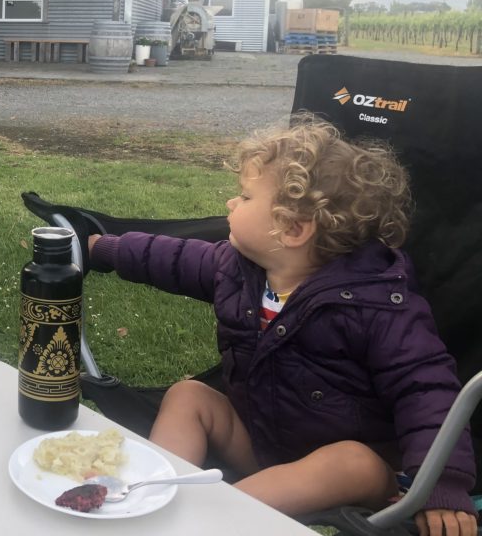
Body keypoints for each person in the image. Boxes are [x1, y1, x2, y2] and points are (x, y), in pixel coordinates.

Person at [88, 115, 476, 536]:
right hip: (263, 445)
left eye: (245, 197)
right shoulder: (238, 267)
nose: (231, 205)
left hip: (356, 475)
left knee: (351, 460)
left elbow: (426, 389)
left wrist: (439, 484)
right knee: (189, 396)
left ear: (291, 228)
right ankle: (152, 492)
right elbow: (174, 258)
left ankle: (203, 520)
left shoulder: (379, 303)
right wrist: (101, 247)